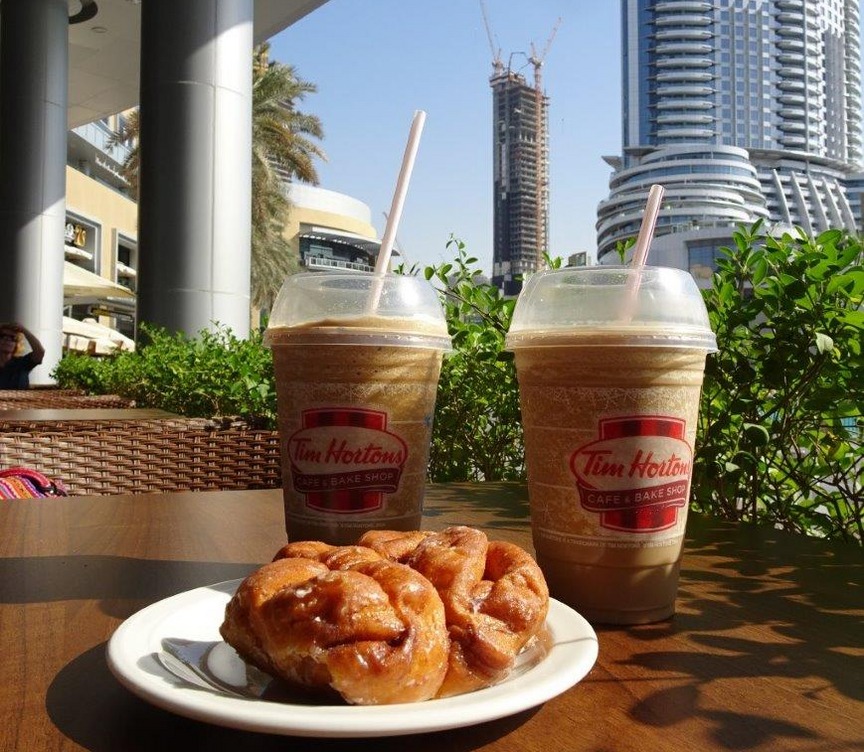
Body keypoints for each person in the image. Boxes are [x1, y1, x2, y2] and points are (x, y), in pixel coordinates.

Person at [0, 322, 45, 389]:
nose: (7, 340)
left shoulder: (22, 363)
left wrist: (24, 330)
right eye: (3, 336)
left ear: (17, 344)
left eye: (12, 338)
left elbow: (40, 352)